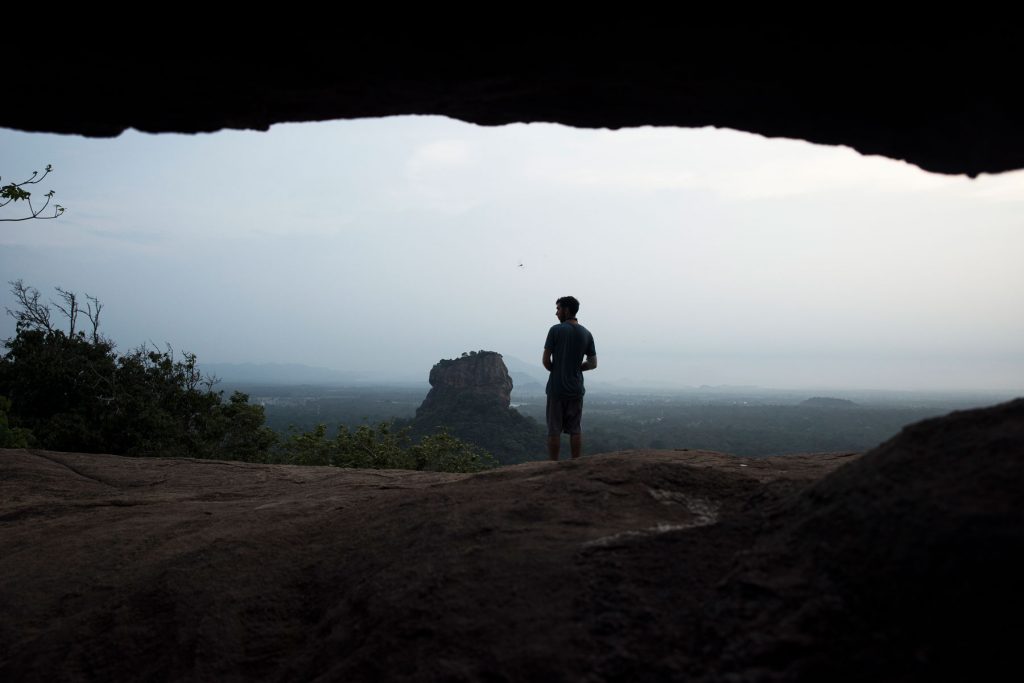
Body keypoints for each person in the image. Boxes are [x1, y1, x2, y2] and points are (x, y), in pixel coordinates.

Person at [543, 296, 597, 460]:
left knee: (554, 430)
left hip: (557, 388)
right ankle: (576, 462)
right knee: (575, 429)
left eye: (558, 309)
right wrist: (576, 368)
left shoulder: (555, 330)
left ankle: (553, 465)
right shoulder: (587, 333)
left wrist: (558, 370)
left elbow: (546, 361)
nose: (556, 313)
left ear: (566, 310)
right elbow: (593, 363)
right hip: (575, 389)